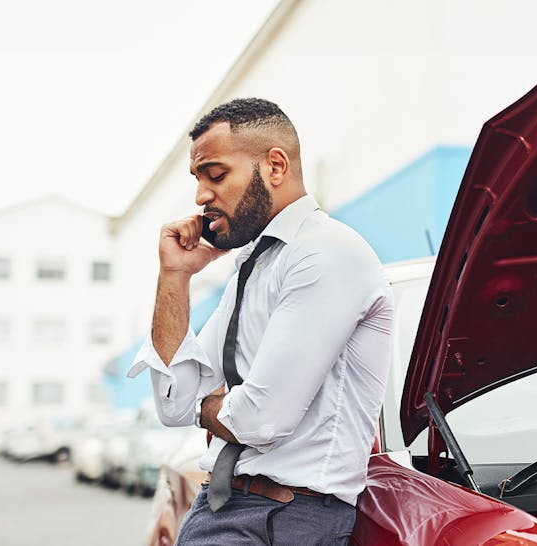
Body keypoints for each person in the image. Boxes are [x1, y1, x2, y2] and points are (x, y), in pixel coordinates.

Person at [127, 98, 394, 545]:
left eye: (216, 175)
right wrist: (175, 276)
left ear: (274, 166)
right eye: (198, 180)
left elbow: (258, 420)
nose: (201, 196)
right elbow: (174, 402)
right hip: (224, 508)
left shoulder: (327, 253)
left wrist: (205, 405)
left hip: (282, 519)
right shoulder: (256, 265)